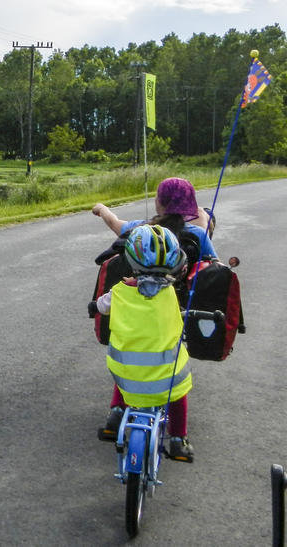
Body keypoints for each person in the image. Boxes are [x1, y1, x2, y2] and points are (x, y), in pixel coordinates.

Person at [95, 224, 194, 462]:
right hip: (165, 377)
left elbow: (100, 305)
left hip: (128, 374)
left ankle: (116, 415)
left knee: (125, 369)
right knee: (178, 393)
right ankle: (179, 440)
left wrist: (95, 306)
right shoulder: (170, 293)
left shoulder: (119, 291)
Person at [92, 177, 217, 261]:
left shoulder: (140, 229)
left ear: (159, 201)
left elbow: (114, 223)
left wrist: (102, 208)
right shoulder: (199, 234)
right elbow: (216, 266)